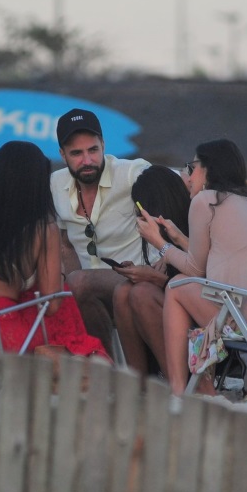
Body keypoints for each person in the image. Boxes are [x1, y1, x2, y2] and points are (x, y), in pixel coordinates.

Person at [136, 139, 247, 395]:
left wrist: (159, 244)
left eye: (192, 167)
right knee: (187, 286)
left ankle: (179, 390)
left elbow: (196, 271)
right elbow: (221, 259)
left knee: (176, 288)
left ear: (208, 170)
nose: (187, 176)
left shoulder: (205, 201)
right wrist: (177, 238)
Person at [0, 140, 108, 359]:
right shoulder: (42, 227)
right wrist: (60, 271)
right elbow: (52, 304)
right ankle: (91, 358)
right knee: (64, 298)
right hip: (0, 331)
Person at [50, 108, 150, 356]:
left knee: (79, 282)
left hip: (139, 284)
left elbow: (178, 185)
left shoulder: (131, 173)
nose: (87, 160)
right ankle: (105, 365)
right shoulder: (54, 184)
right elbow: (64, 242)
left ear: (104, 145)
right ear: (62, 155)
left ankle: (106, 367)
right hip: (90, 294)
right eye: (76, 153)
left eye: (92, 150)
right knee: (70, 286)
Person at [112, 165, 191, 375]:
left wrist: (155, 278)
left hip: (207, 315)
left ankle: (176, 383)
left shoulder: (195, 223)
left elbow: (203, 280)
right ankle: (138, 382)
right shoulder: (172, 234)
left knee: (142, 293)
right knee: (122, 291)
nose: (138, 215)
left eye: (141, 209)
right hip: (182, 310)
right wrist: (151, 272)